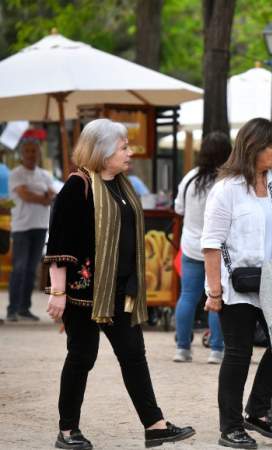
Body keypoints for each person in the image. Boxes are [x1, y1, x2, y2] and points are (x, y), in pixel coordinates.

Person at [44, 118, 194, 450]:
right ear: (102, 150)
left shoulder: (122, 185)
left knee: (133, 354)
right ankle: (67, 431)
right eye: (123, 146)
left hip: (120, 290)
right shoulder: (77, 186)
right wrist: (57, 292)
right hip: (86, 293)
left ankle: (154, 426)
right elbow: (59, 245)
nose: (130, 152)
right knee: (82, 357)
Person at [201, 118, 272, 449]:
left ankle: (257, 412)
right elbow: (211, 244)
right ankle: (230, 427)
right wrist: (214, 293)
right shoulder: (226, 189)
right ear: (254, 146)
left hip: (271, 280)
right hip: (236, 284)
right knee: (239, 353)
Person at [173, 131, 231, 364]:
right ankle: (216, 350)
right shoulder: (227, 181)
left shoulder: (190, 178)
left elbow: (178, 209)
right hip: (217, 249)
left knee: (187, 296)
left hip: (191, 246)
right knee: (217, 296)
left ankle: (182, 348)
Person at [7, 138, 55, 322]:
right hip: (22, 227)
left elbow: (52, 194)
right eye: (27, 151)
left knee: (30, 270)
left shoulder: (44, 175)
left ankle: (24, 308)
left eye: (34, 151)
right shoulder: (16, 174)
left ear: (39, 153)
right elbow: (24, 195)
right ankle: (12, 308)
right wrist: (42, 197)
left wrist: (42, 196)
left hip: (40, 225)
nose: (30, 154)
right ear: (22, 154)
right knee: (19, 268)